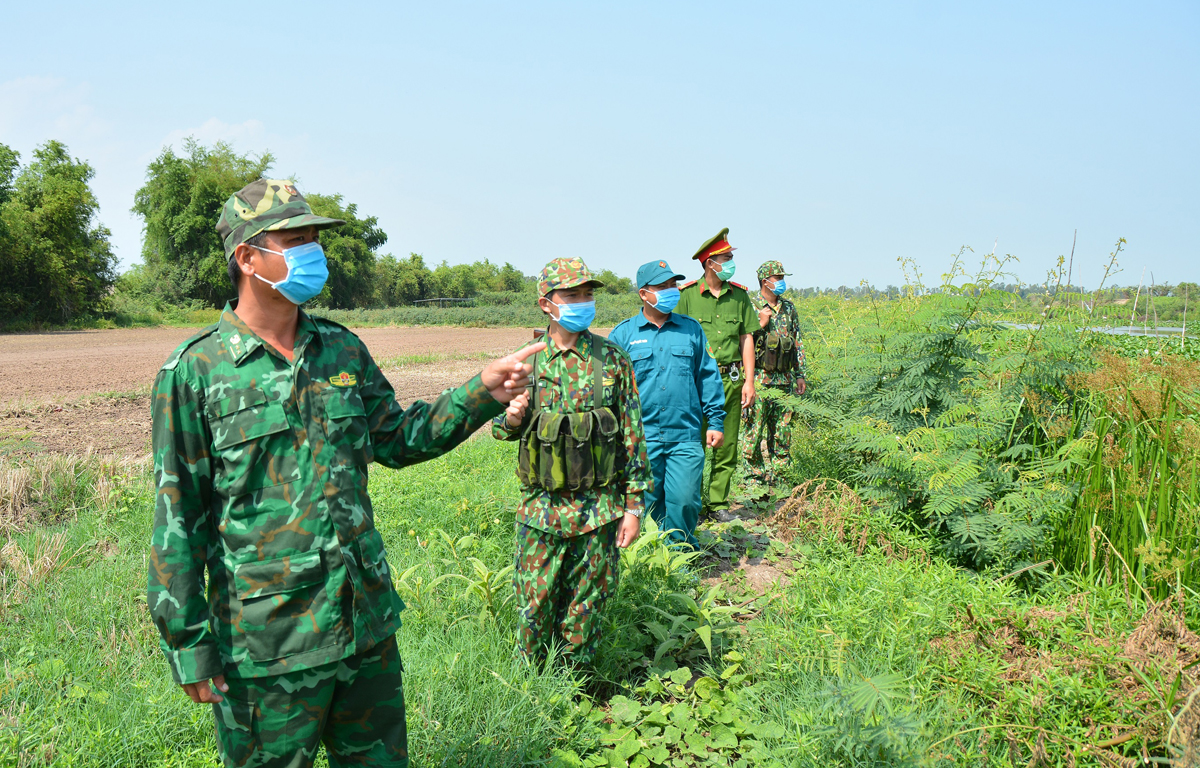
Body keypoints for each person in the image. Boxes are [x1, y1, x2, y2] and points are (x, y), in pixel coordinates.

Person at [148, 178, 543, 768]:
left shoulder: (341, 350)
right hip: (269, 648)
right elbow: (178, 518)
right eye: (295, 237)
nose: (312, 250)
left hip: (364, 628)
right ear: (247, 257)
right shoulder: (195, 371)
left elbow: (399, 438)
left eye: (314, 237)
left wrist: (479, 394)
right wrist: (188, 645)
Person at [492, 257, 650, 665]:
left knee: (586, 610)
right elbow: (498, 426)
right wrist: (511, 418)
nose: (583, 302)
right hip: (540, 512)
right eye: (572, 295)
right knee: (534, 608)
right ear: (547, 304)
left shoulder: (612, 359)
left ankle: (573, 691)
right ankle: (532, 689)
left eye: (588, 294)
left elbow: (632, 434)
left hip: (598, 512)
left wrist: (634, 506)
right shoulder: (527, 360)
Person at [609, 259, 726, 548]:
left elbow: (708, 377)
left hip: (684, 436)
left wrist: (716, 421)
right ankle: (648, 562)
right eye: (662, 287)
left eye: (673, 285)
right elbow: (610, 389)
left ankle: (680, 558)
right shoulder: (623, 335)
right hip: (641, 437)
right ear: (643, 294)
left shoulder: (691, 330)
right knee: (643, 504)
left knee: (685, 501)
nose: (671, 291)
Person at [676, 228, 757, 519]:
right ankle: (692, 504)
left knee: (727, 445)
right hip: (695, 383)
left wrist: (749, 380)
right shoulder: (686, 297)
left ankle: (718, 504)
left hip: (731, 380)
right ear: (710, 262)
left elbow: (747, 338)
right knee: (693, 445)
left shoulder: (739, 296)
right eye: (727, 257)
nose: (731, 262)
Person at [742, 260, 808, 482]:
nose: (781, 282)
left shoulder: (789, 308)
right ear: (764, 281)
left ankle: (782, 477)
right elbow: (743, 341)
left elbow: (797, 341)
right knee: (754, 429)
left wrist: (800, 375)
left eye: (782, 278)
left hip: (784, 378)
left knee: (783, 430)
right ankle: (754, 479)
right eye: (777, 278)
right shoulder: (751, 305)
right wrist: (760, 322)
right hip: (759, 379)